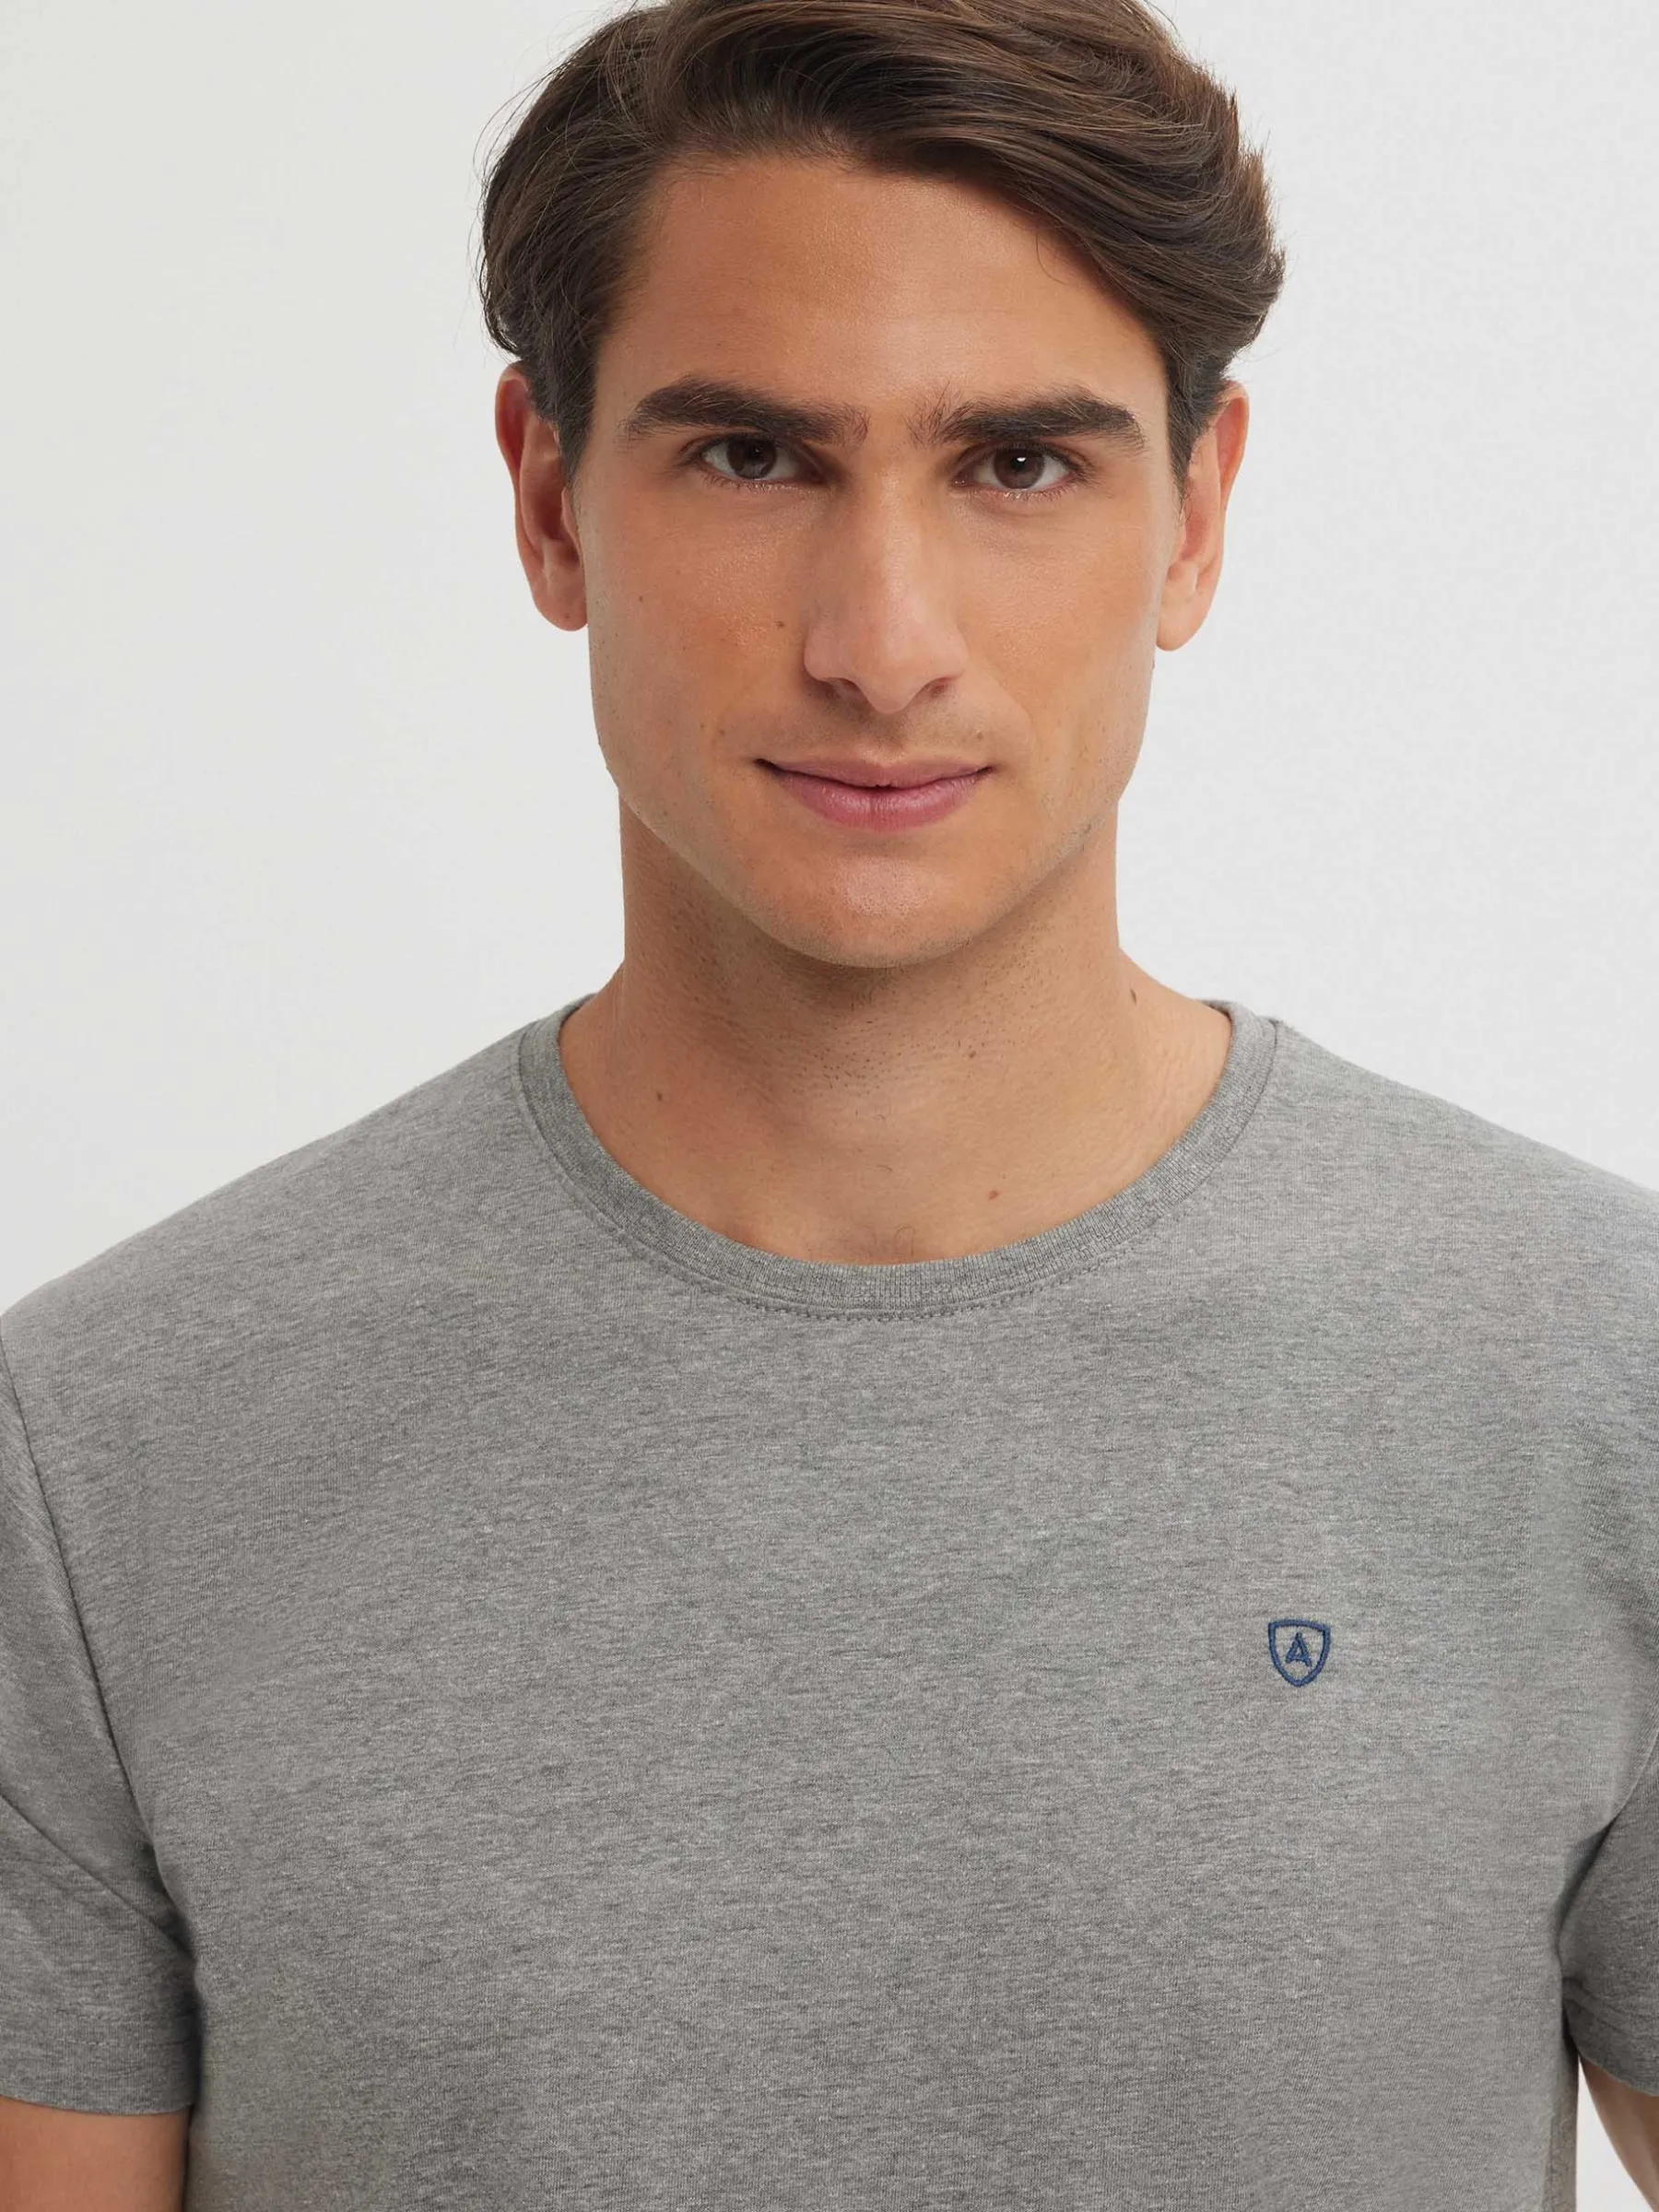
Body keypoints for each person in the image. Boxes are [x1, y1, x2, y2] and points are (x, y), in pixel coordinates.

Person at [2, 0, 1655, 2203]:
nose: (882, 643)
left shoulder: (1595, 1385)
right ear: (548, 498)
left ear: (1197, 516)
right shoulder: (102, 1463)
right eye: (753, 458)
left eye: (1019, 465)